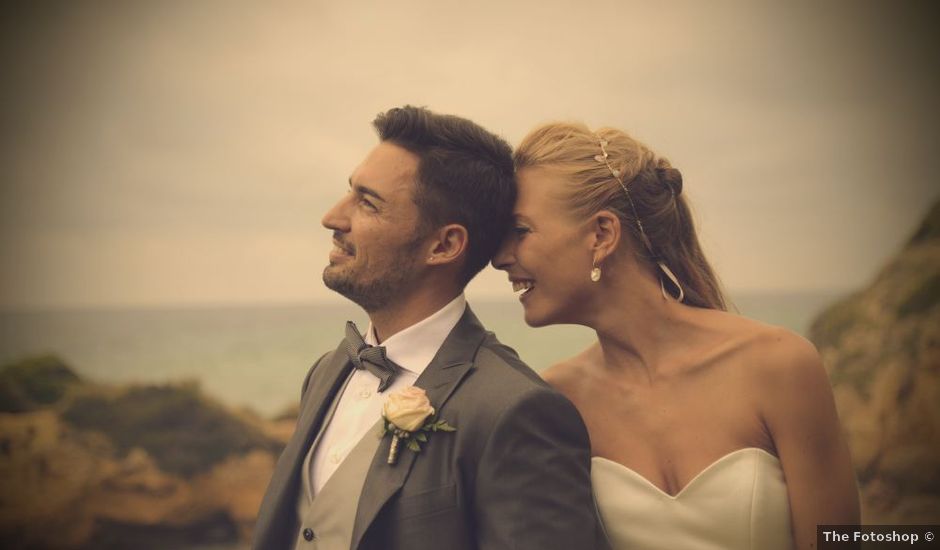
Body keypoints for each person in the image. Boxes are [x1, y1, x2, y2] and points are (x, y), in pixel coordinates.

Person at [492, 122, 860, 550]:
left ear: (602, 234)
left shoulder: (778, 365)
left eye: (520, 231)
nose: (500, 258)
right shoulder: (558, 401)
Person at [252, 107, 598, 550]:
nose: (333, 218)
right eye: (349, 193)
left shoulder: (516, 410)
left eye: (368, 202)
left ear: (444, 245)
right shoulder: (326, 371)